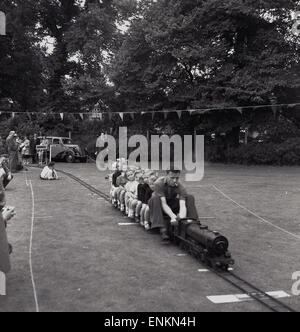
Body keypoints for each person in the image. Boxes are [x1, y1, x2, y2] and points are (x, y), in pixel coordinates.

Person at [149, 167, 199, 242]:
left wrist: (181, 218)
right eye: (172, 178)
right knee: (155, 198)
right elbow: (164, 203)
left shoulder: (181, 186)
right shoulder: (158, 183)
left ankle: (193, 221)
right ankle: (162, 228)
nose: (175, 180)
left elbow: (182, 205)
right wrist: (173, 216)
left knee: (189, 197)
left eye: (177, 178)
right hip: (160, 204)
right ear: (166, 175)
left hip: (172, 203)